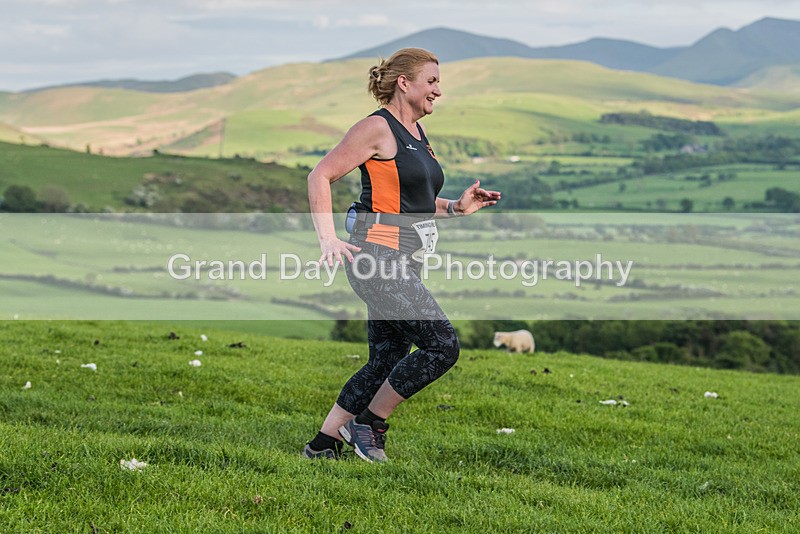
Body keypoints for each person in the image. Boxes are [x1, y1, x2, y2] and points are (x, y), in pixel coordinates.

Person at [303, 47, 500, 462]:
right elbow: (320, 174)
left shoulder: (416, 135)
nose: (438, 91)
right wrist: (327, 239)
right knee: (441, 345)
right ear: (404, 83)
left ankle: (323, 445)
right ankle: (369, 424)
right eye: (431, 82)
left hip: (401, 260)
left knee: (387, 357)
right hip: (377, 258)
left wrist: (457, 207)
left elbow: (411, 204)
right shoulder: (377, 128)